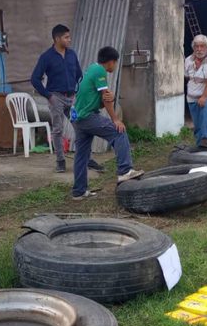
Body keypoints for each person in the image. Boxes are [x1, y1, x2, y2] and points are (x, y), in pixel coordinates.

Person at [70, 46, 143, 200]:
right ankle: (125, 171)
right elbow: (105, 97)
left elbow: (100, 100)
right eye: (115, 63)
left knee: (82, 155)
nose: (114, 67)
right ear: (110, 62)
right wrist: (115, 119)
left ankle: (79, 191)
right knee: (119, 132)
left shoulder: (91, 69)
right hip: (88, 117)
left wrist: (108, 99)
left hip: (78, 118)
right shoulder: (100, 71)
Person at [30, 24, 104, 174]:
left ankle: (87, 159)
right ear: (57, 39)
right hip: (56, 98)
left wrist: (78, 92)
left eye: (69, 37)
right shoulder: (46, 57)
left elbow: (79, 75)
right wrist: (48, 95)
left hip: (72, 100)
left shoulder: (72, 55)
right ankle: (60, 161)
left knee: (82, 127)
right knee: (58, 130)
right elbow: (35, 79)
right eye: (66, 37)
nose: (69, 40)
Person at [184, 34, 207, 148]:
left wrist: (204, 97)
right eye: (196, 46)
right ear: (193, 48)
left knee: (205, 106)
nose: (199, 49)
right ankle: (201, 147)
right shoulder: (188, 60)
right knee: (198, 124)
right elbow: (186, 77)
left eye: (202, 46)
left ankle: (206, 138)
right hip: (192, 97)